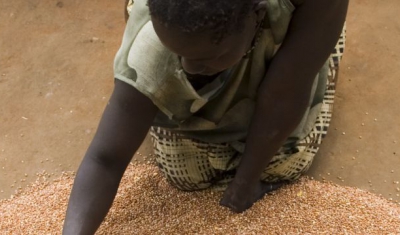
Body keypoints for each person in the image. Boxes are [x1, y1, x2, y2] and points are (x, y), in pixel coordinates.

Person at [63, 0, 348, 234]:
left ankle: (322, 40)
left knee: (285, 166)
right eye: (179, 54)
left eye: (205, 58)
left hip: (288, 38)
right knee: (185, 175)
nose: (188, 66)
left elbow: (284, 94)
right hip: (199, 31)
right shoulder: (162, 37)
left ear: (256, 16)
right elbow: (105, 158)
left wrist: (246, 182)